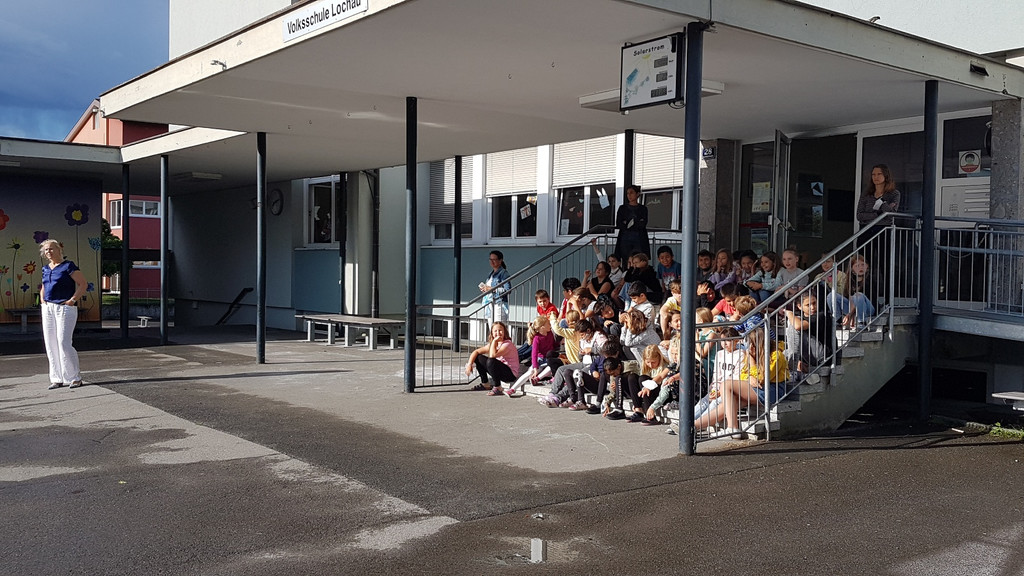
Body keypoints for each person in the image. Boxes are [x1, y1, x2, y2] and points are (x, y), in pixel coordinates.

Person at [40, 239, 88, 390]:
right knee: (50, 343)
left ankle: (74, 377)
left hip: (64, 308)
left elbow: (83, 284)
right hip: (48, 308)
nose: (49, 252)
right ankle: (56, 378)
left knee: (63, 342)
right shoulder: (46, 268)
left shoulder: (68, 266)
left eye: (51, 249)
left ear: (59, 249)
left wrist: (72, 300)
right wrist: (42, 301)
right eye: (46, 250)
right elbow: (44, 286)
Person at [466, 321, 520, 395]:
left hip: (510, 374)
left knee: (491, 361)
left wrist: (494, 341)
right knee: (479, 357)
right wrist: (469, 364)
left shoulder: (507, 344)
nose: (498, 333)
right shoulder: (493, 344)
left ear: (505, 332)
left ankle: (498, 387)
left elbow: (492, 355)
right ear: (492, 333)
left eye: (500, 330)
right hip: (499, 371)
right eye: (495, 331)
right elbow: (476, 352)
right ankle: (485, 383)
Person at [508, 315, 556, 397]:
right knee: (530, 372)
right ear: (542, 327)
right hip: (540, 359)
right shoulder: (537, 338)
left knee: (551, 367)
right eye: (548, 323)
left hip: (548, 359)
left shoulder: (550, 333)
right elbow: (534, 354)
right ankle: (513, 389)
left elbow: (554, 345)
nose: (550, 325)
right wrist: (535, 368)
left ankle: (537, 379)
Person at [614, 184, 650, 263]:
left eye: (631, 193)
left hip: (639, 239)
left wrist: (629, 224)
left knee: (639, 259)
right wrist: (633, 224)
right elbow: (619, 223)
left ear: (637, 194)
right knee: (626, 260)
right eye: (627, 193)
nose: (629, 195)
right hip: (625, 239)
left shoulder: (643, 209)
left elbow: (643, 223)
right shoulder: (622, 208)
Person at [480, 250, 510, 323]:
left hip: (499, 304)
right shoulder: (491, 274)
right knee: (492, 328)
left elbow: (508, 290)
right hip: (490, 303)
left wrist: (492, 289)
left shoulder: (503, 273)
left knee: (499, 326)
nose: (492, 262)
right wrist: (485, 289)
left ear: (500, 261)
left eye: (494, 259)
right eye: (490, 259)